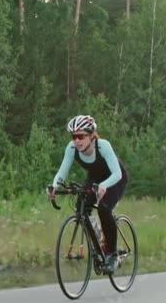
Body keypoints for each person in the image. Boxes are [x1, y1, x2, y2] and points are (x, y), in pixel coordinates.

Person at [46, 114, 129, 272]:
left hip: (115, 179)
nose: (76, 141)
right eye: (73, 136)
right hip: (95, 179)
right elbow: (62, 171)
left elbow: (117, 173)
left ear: (91, 135)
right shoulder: (72, 148)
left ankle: (112, 255)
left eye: (80, 136)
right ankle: (98, 236)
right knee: (81, 207)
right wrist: (54, 186)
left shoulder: (102, 145)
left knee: (104, 209)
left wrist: (103, 185)